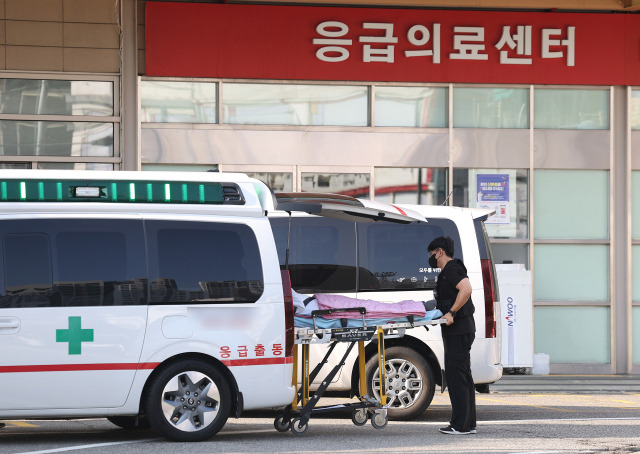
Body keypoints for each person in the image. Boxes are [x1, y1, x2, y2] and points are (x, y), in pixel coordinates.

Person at [428, 236, 476, 435]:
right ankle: (468, 424)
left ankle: (460, 425)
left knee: (457, 377)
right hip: (460, 330)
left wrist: (452, 312)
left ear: (440, 251)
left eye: (432, 255)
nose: (431, 259)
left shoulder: (452, 269)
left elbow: (466, 289)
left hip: (459, 329)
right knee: (462, 376)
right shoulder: (447, 272)